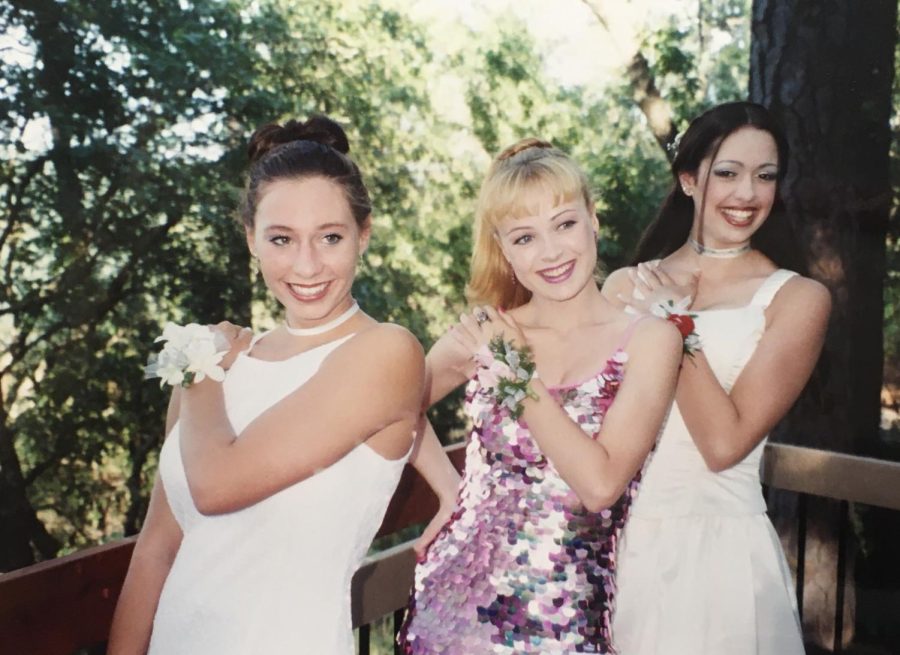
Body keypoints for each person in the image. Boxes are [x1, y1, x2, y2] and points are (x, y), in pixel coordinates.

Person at [107, 115, 425, 655]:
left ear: (363, 235)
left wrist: (198, 367)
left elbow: (216, 486)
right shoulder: (222, 363)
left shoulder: (384, 353)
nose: (307, 265)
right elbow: (158, 547)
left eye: (330, 237)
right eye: (281, 238)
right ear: (251, 238)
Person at [398, 138, 683, 654]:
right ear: (503, 249)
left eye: (565, 224)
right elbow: (388, 411)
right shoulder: (485, 330)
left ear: (593, 220)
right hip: (449, 615)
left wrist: (514, 371)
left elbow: (599, 486)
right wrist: (449, 490)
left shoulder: (651, 340)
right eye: (525, 237)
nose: (551, 252)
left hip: (564, 623)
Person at [605, 101, 831, 654]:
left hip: (721, 559)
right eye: (727, 173)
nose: (747, 194)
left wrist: (674, 324)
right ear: (688, 179)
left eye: (765, 176)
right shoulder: (624, 285)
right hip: (620, 554)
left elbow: (724, 443)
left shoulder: (798, 298)